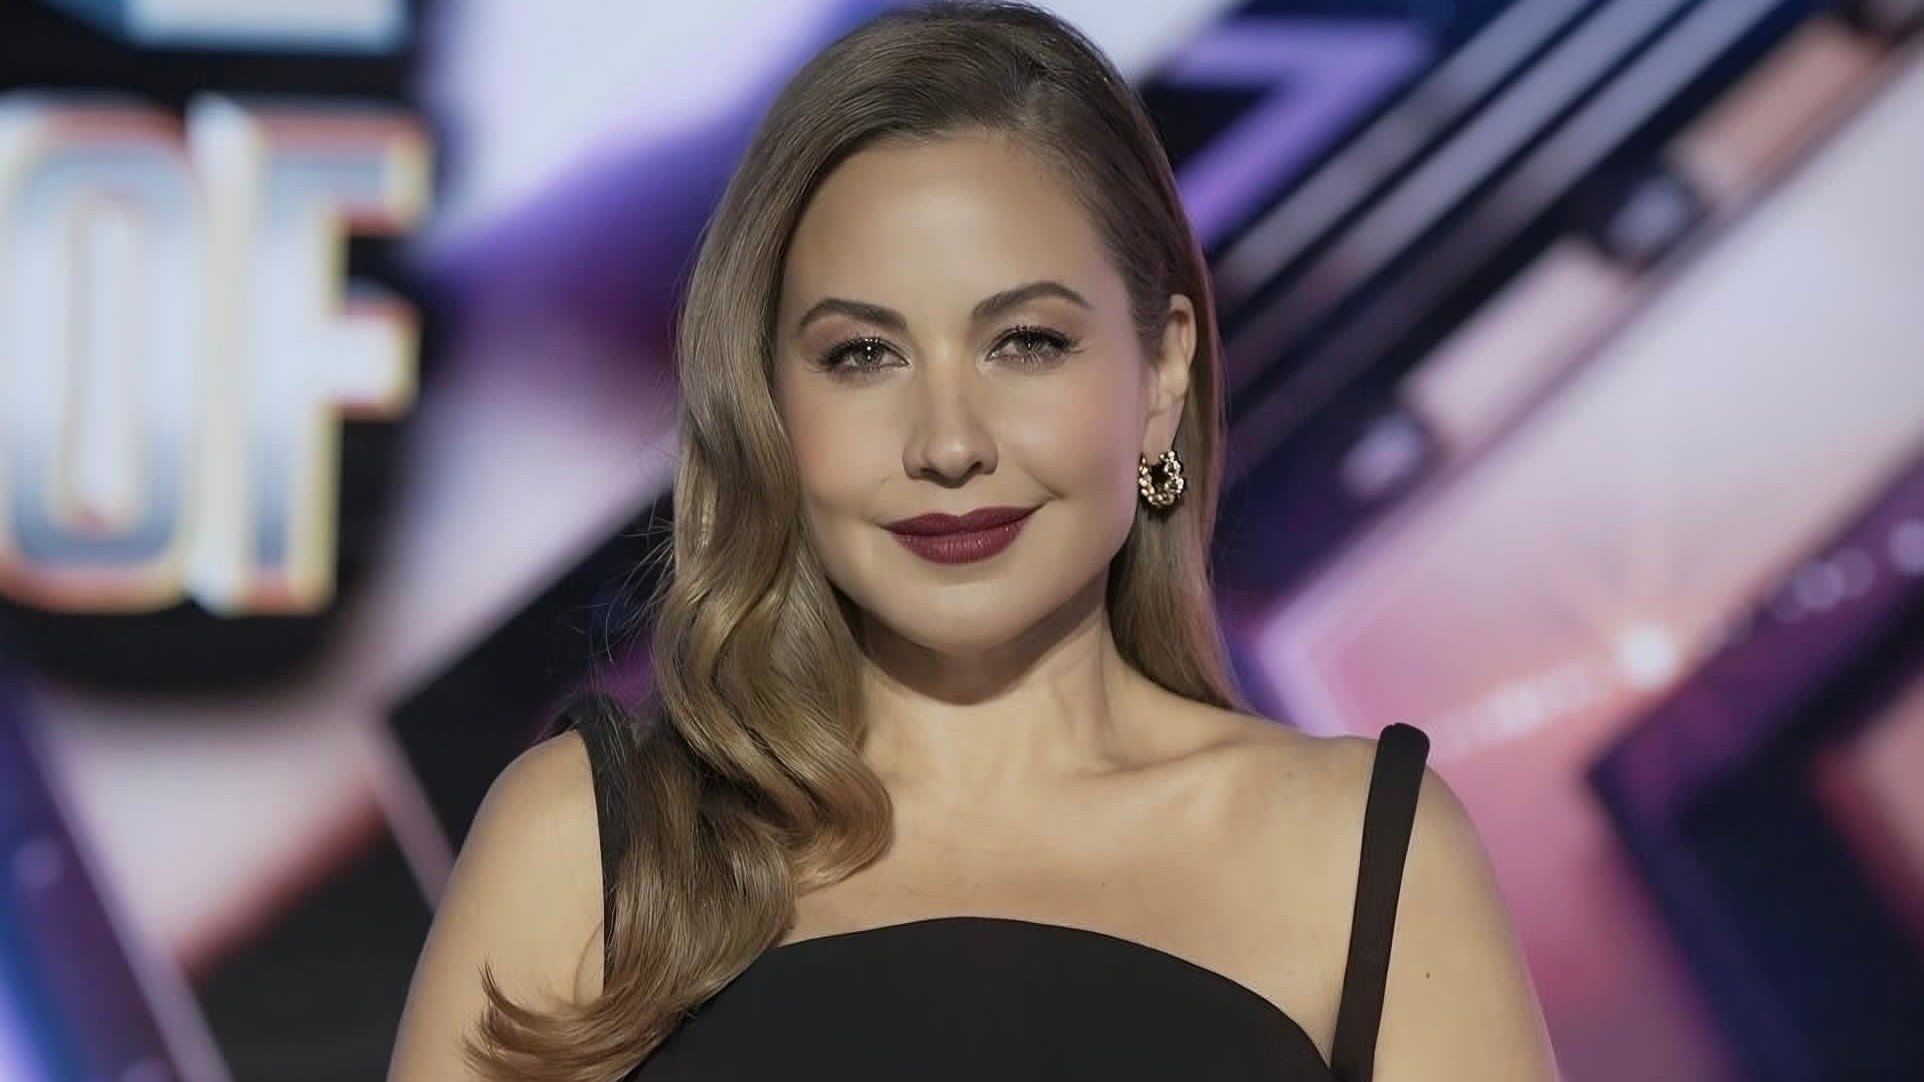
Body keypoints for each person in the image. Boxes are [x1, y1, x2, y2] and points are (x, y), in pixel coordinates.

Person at [389, 3, 1558, 1079]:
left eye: (1025, 343)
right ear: (770, 404)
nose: (948, 442)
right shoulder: (591, 848)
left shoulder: (1361, 857)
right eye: (863, 355)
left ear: (1161, 374)